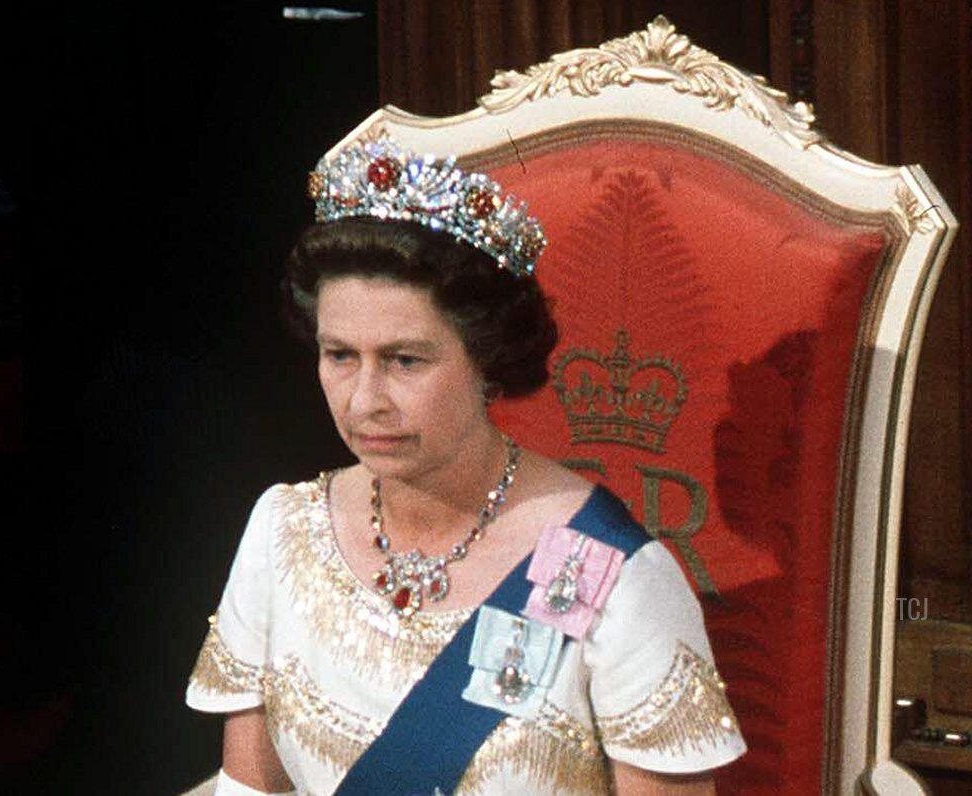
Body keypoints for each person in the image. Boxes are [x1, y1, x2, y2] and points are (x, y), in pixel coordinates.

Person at [186, 138, 746, 795]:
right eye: (340, 355)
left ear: (488, 361)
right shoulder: (282, 531)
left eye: (405, 360)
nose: (364, 401)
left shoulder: (610, 575)